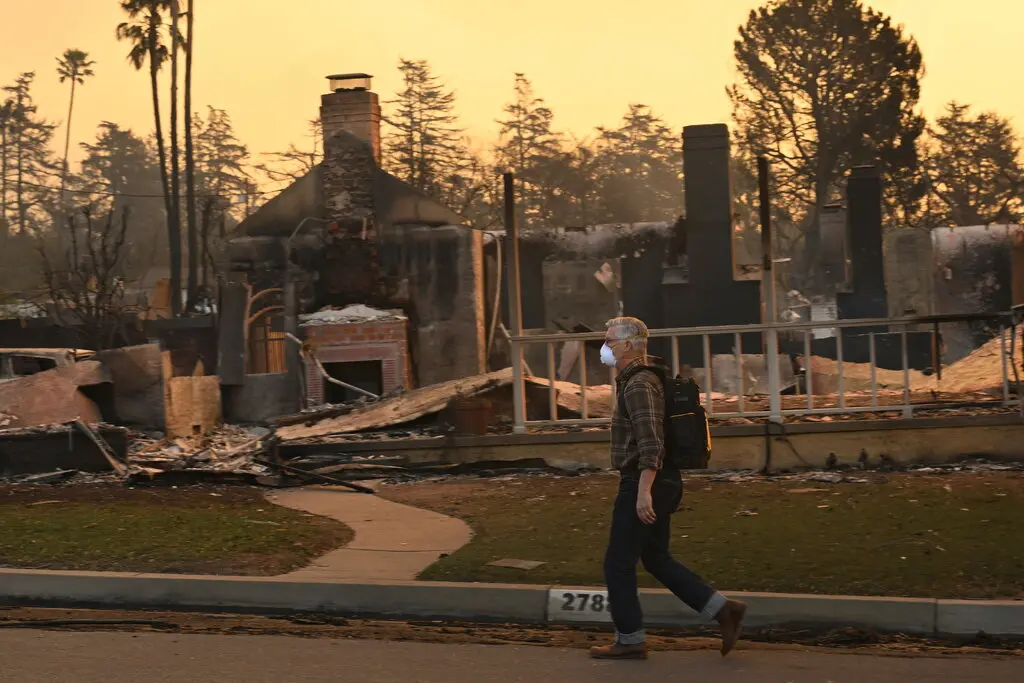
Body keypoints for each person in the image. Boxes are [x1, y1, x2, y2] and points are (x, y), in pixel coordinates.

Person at [589, 316, 746, 661]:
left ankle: (629, 638)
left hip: (646, 481)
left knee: (618, 563)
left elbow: (651, 442)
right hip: (661, 480)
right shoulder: (642, 378)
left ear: (629, 346)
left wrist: (644, 491)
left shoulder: (639, 384)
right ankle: (723, 610)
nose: (605, 347)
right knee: (656, 558)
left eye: (609, 341)